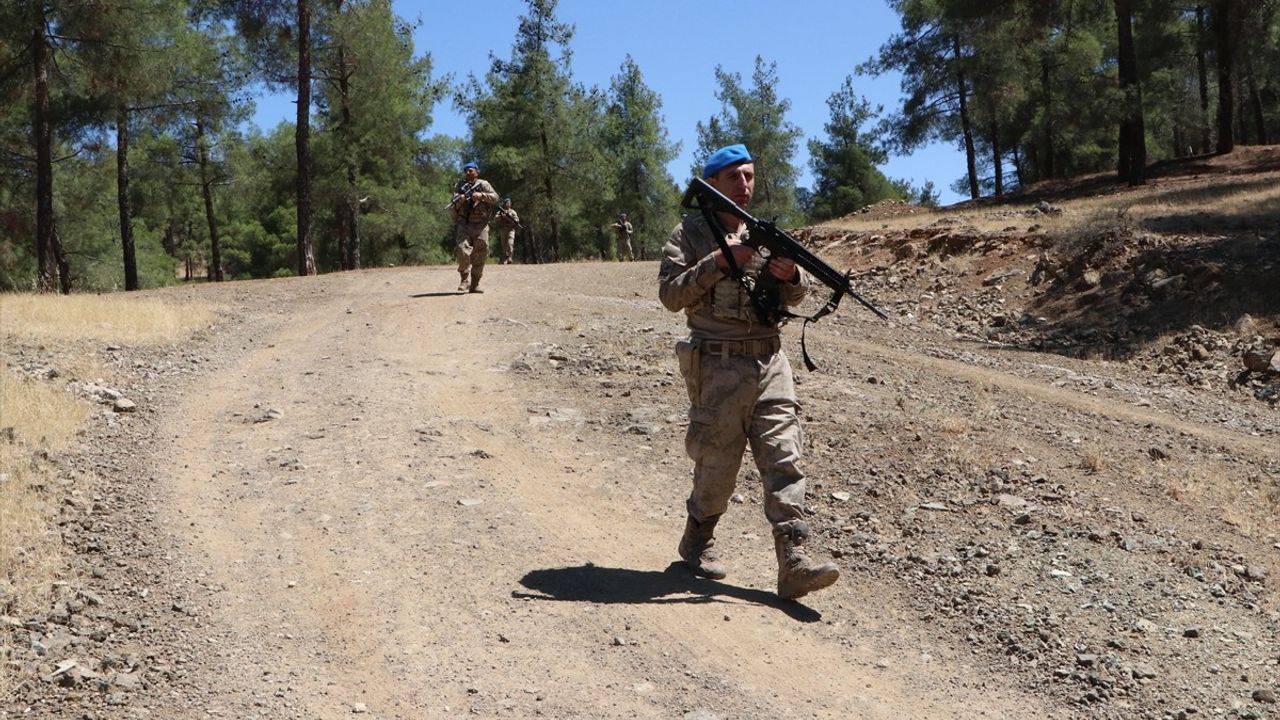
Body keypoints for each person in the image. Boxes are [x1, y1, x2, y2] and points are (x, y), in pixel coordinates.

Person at [657, 143, 839, 601]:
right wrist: (719, 262)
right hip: (717, 363)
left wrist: (792, 277)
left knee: (784, 457)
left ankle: (794, 560)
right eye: (736, 176)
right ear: (712, 183)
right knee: (717, 465)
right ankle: (697, 538)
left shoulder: (765, 234)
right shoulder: (689, 234)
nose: (745, 184)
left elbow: (791, 300)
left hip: (770, 360)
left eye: (751, 176)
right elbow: (670, 295)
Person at [450, 161, 499, 293]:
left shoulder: (484, 184)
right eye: (466, 170)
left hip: (481, 224)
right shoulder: (460, 185)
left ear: (477, 171)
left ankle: (475, 283)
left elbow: (495, 197)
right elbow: (454, 203)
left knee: (481, 252)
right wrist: (460, 201)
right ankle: (464, 280)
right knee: (462, 250)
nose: (468, 172)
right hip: (464, 223)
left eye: (470, 170)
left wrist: (482, 195)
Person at [494, 197, 521, 265]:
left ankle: (510, 258)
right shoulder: (500, 211)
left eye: (509, 203)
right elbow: (496, 218)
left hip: (511, 230)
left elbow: (516, 221)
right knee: (504, 246)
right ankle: (504, 258)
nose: (508, 204)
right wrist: (502, 216)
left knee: (510, 243)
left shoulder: (513, 212)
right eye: (507, 203)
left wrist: (509, 218)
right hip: (503, 229)